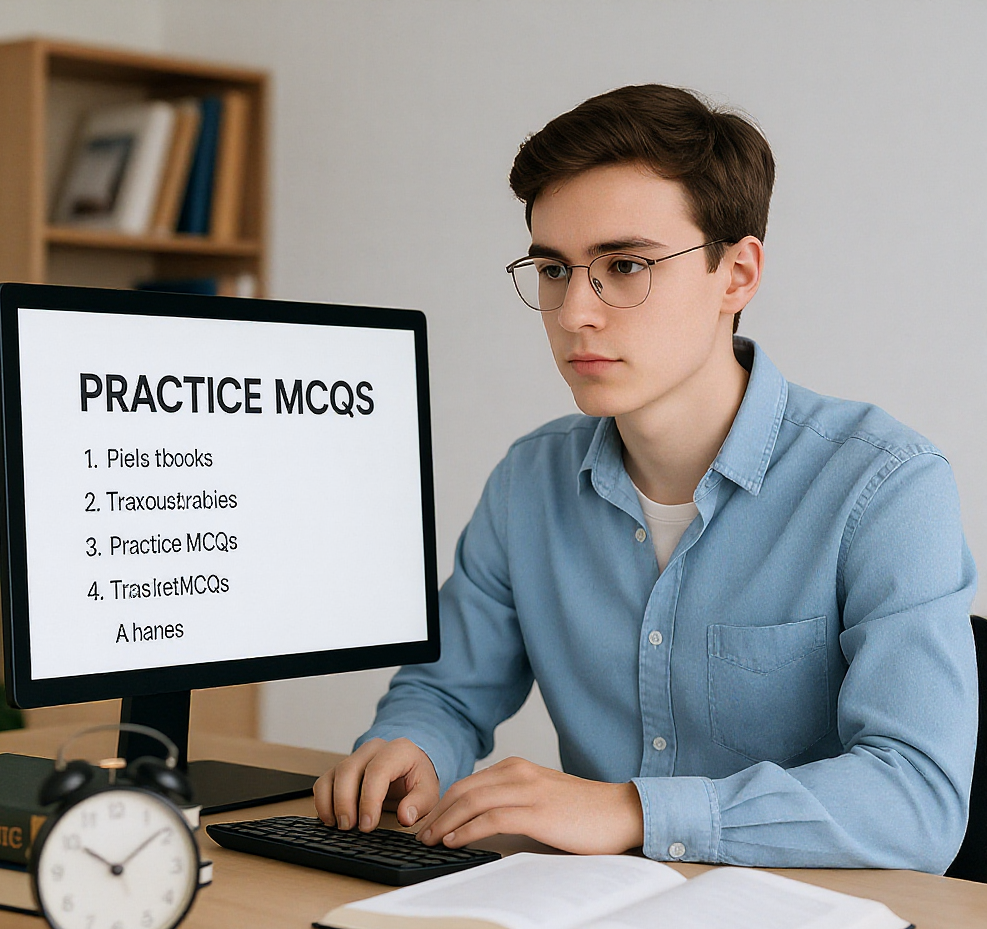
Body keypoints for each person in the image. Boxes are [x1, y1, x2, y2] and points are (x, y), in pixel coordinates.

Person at [313, 84, 977, 871]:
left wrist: (632, 809)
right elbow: (447, 693)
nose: (573, 314)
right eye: (554, 269)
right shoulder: (529, 483)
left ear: (737, 274)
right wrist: (411, 749)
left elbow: (917, 800)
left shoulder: (885, 485)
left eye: (623, 265)